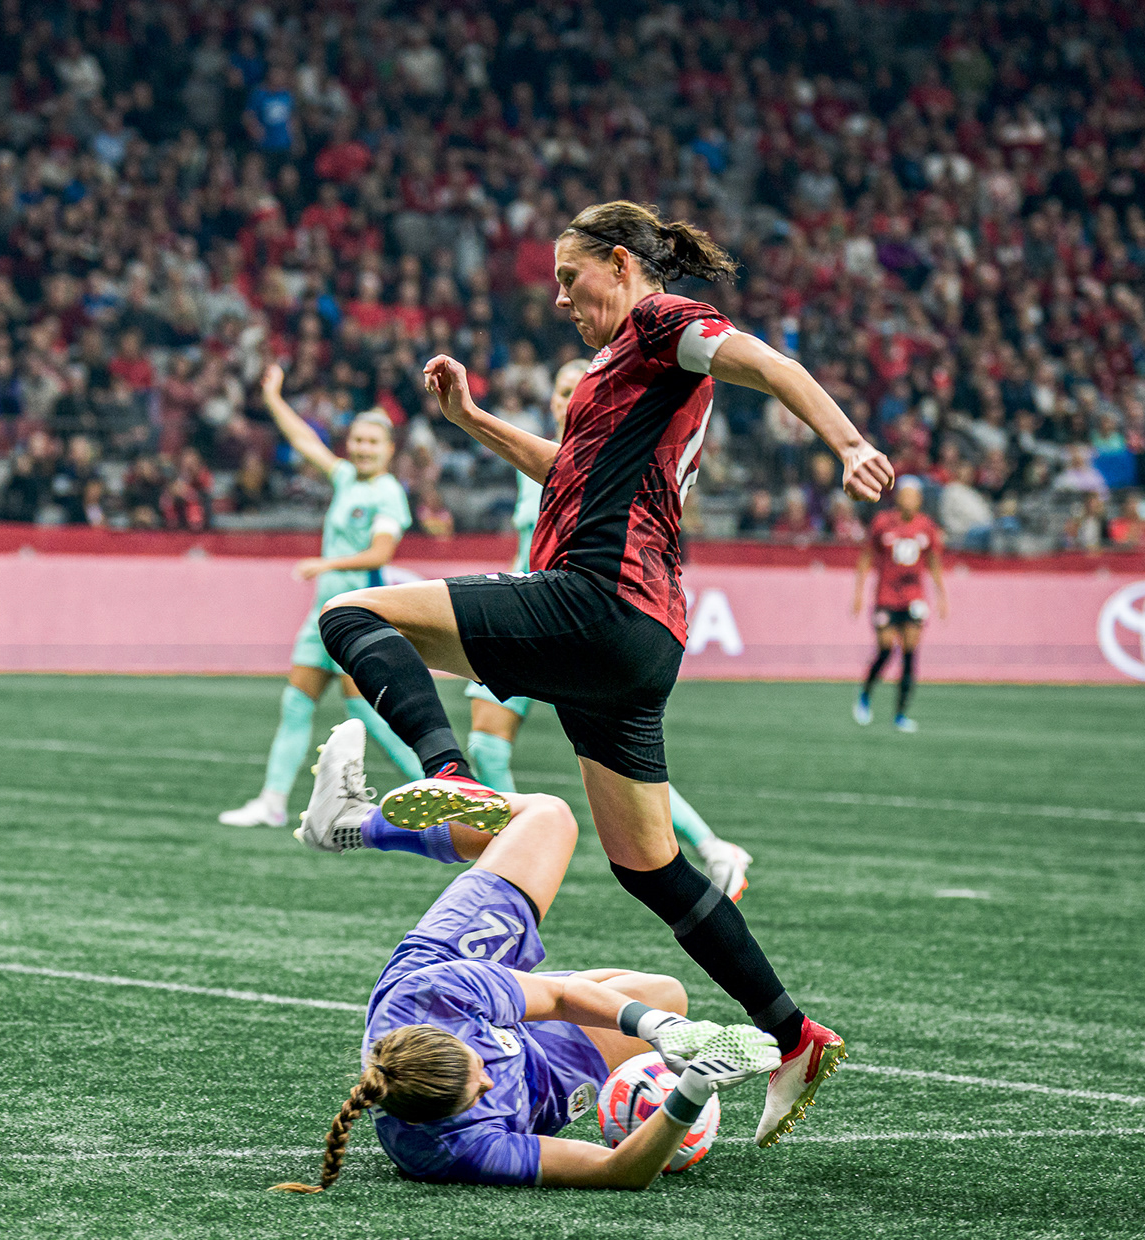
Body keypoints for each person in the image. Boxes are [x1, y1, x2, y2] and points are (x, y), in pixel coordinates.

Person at [312, 202, 886, 1145]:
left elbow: (769, 363)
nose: (562, 298)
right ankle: (793, 1035)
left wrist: (847, 440)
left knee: (353, 615)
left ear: (621, 265)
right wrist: (469, 419)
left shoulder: (660, 325)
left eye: (571, 279)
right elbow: (566, 469)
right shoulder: (626, 375)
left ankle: (449, 782)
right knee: (649, 865)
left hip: (596, 601)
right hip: (638, 640)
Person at [273, 720, 782, 1193]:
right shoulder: (453, 1151)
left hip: (449, 962)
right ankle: (520, 1008)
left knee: (546, 817)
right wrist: (691, 1088)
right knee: (666, 993)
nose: (490, 1076)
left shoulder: (430, 992)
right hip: (544, 1085)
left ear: (453, 1033)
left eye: (478, 1065)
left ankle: (353, 823)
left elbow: (560, 996)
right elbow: (617, 1171)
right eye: (479, 1091)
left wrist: (657, 1030)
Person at [467, 358, 756, 899]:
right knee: (487, 744)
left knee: (616, 769)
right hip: (531, 615)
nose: (561, 400)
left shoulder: (603, 464)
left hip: (571, 624)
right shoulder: (529, 453)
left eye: (571, 389)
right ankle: (509, 864)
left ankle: (710, 846)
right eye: (556, 389)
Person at [218, 364, 423, 829]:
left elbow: (381, 551)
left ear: (390, 450)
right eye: (357, 441)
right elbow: (305, 443)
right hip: (321, 618)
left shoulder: (389, 493)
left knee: (366, 715)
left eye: (372, 442)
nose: (362, 449)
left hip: (356, 620)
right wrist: (272, 397)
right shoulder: (348, 479)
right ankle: (271, 802)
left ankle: (442, 787)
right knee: (295, 705)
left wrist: (325, 564)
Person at [852, 475, 947, 733]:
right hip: (886, 597)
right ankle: (865, 694)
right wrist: (859, 592)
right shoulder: (883, 523)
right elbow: (867, 556)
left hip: (914, 597)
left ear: (919, 500)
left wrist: (941, 595)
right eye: (905, 495)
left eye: (913, 496)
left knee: (909, 652)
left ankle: (900, 714)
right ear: (898, 498)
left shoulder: (926, 527)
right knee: (885, 648)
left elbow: (935, 562)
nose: (909, 500)